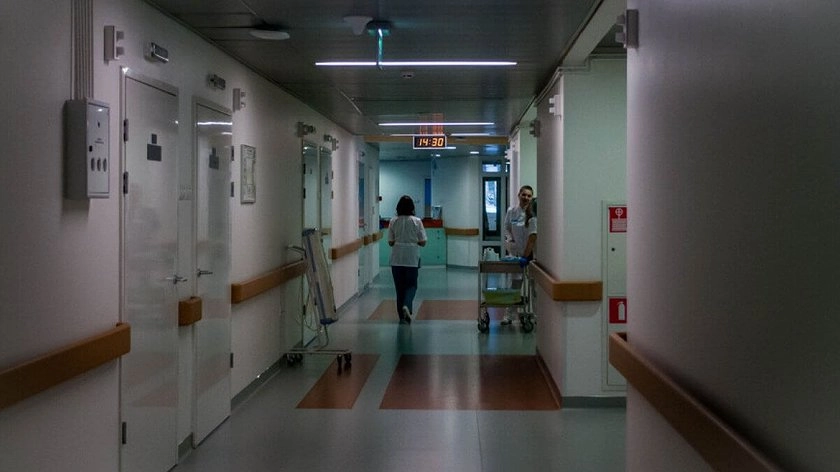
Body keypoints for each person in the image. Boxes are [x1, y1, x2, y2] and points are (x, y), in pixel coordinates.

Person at [388, 195, 427, 324]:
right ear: (412, 207)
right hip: (412, 258)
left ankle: (402, 317)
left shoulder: (393, 221)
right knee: (411, 285)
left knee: (399, 288)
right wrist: (414, 241)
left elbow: (390, 242)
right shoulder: (417, 221)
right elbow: (423, 242)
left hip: (397, 259)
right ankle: (407, 305)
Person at [501, 185, 537, 325]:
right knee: (515, 285)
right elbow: (506, 228)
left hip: (531, 255)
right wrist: (510, 240)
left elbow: (532, 237)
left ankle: (535, 316)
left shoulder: (532, 214)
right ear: (519, 195)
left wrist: (527, 255)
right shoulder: (512, 211)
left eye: (529, 196)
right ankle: (509, 315)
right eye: (524, 195)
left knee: (534, 287)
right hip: (516, 254)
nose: (526, 198)